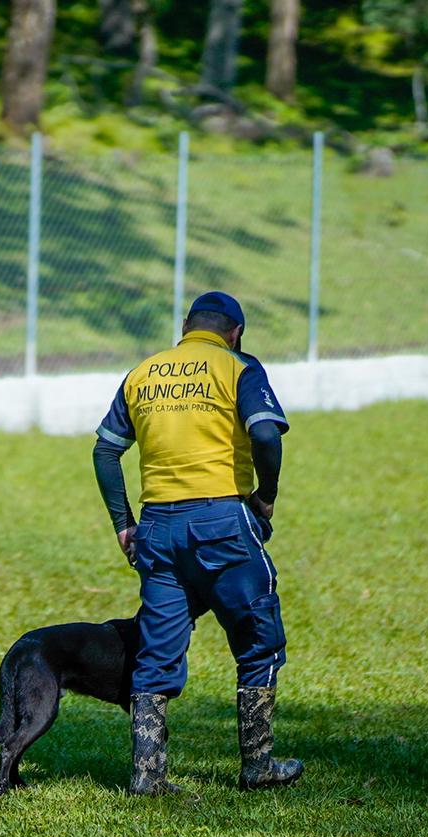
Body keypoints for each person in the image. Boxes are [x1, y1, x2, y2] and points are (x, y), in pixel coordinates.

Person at [92, 291, 303, 796]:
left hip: (157, 528)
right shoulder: (239, 366)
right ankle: (257, 765)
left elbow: (105, 450)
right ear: (236, 333)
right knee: (259, 638)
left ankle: (148, 776)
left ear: (186, 325)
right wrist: (266, 496)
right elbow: (267, 436)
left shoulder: (143, 372)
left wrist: (125, 524)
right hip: (222, 522)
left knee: (156, 650)